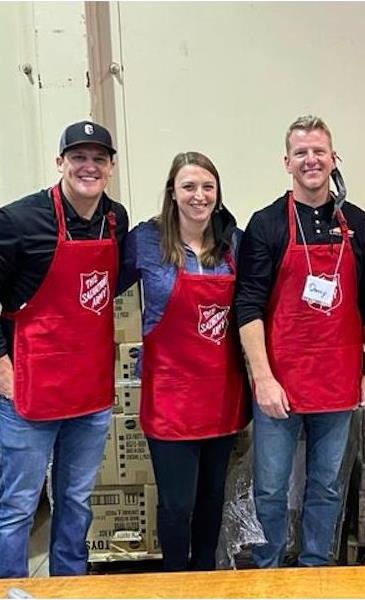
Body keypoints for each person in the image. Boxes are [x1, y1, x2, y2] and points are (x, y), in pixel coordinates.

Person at [235, 115, 365, 568]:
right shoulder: (265, 224)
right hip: (281, 385)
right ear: (287, 162)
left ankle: (316, 567)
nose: (311, 160)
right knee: (272, 487)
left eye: (319, 151)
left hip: (339, 385)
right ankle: (269, 573)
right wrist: (263, 379)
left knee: (326, 485)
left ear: (333, 157)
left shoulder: (356, 222)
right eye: (301, 152)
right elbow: (248, 308)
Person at [0, 121, 128, 577]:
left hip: (89, 393)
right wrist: (2, 367)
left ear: (111, 167)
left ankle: (70, 586)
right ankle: (11, 589)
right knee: (16, 507)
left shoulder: (116, 219)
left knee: (75, 500)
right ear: (60, 163)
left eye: (98, 158)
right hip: (29, 393)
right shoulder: (18, 220)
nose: (88, 166)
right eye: (78, 157)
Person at [119, 151, 251, 572]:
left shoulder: (235, 244)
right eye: (189, 186)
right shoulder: (145, 241)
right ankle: (175, 580)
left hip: (221, 393)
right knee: (177, 503)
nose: (199, 195)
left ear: (218, 193)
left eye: (207, 187)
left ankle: (204, 578)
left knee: (213, 497)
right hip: (170, 396)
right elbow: (102, 287)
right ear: (172, 193)